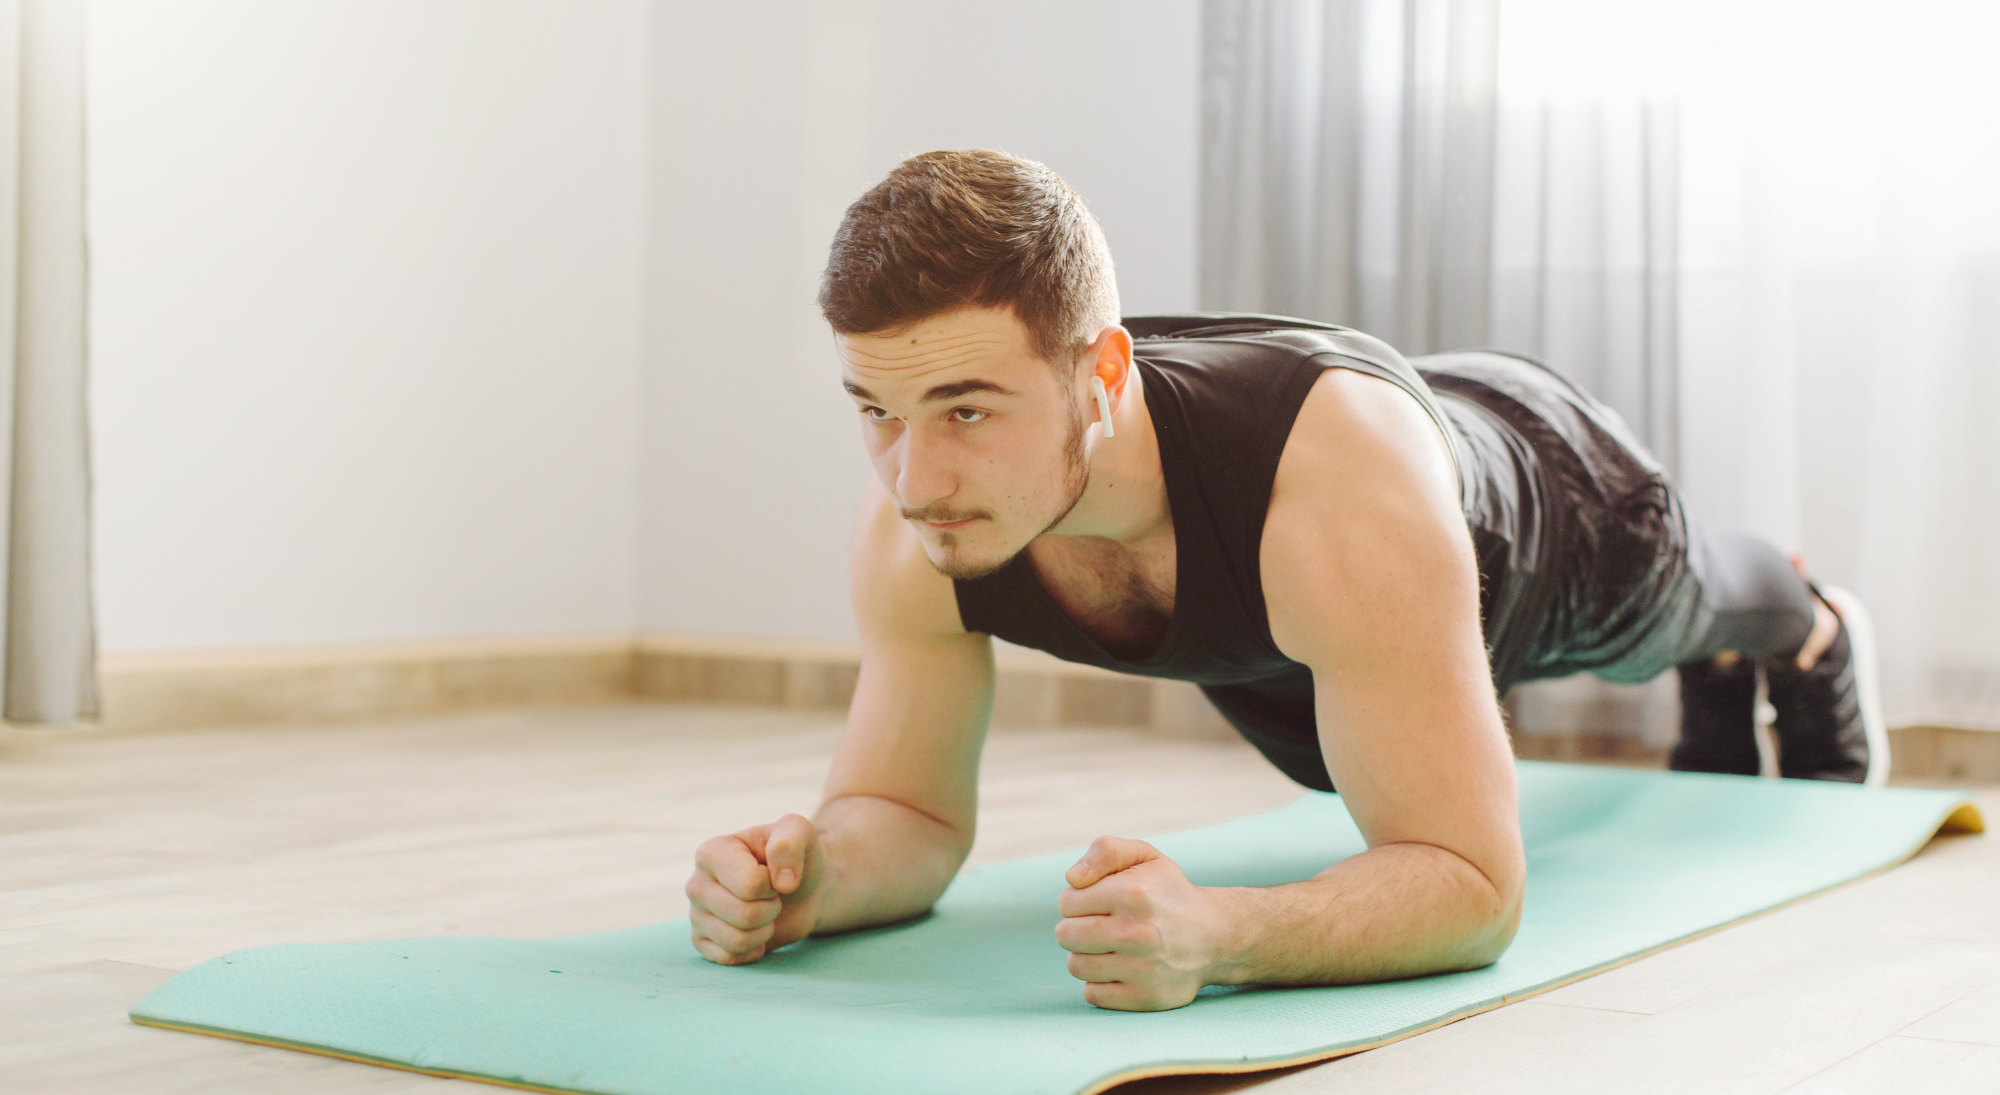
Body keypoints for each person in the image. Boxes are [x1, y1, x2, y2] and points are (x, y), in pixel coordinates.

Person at [682, 149, 1883, 1012]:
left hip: (1547, 502)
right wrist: (815, 879)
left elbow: (1472, 887)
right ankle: (1722, 678)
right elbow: (913, 814)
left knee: (1676, 612)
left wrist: (1222, 934)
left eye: (966, 409)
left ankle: (1806, 629)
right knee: (1332, 759)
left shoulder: (1331, 497)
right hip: (1306, 613)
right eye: (875, 412)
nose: (913, 475)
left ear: (1101, 374)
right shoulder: (918, 517)